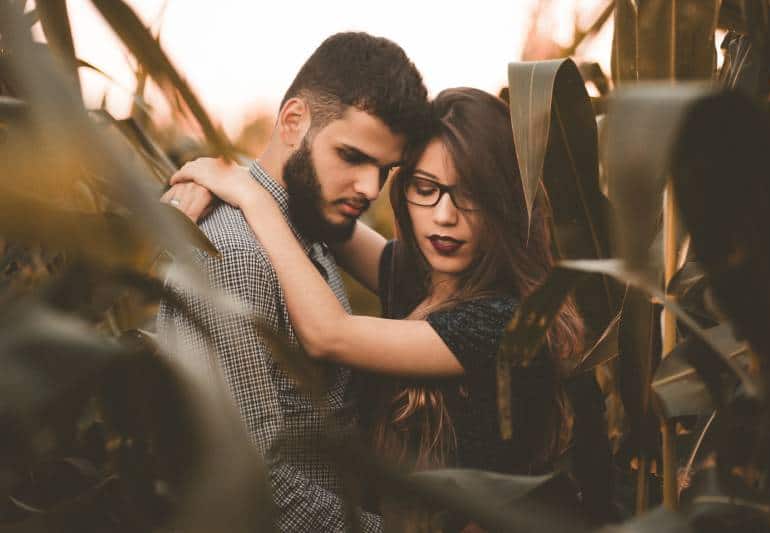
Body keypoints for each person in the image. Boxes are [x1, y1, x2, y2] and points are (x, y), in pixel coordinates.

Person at [167, 89, 593, 486]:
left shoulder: (501, 322)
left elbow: (328, 334)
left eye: (470, 195)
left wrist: (249, 196)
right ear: (404, 190)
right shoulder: (425, 277)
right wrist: (227, 179)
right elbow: (323, 214)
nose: (444, 215)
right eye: (425, 189)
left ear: (505, 202)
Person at [157, 32, 430, 532]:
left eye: (385, 169)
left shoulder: (309, 225)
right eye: (352, 156)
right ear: (292, 122)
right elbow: (254, 485)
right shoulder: (237, 255)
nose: (370, 188)